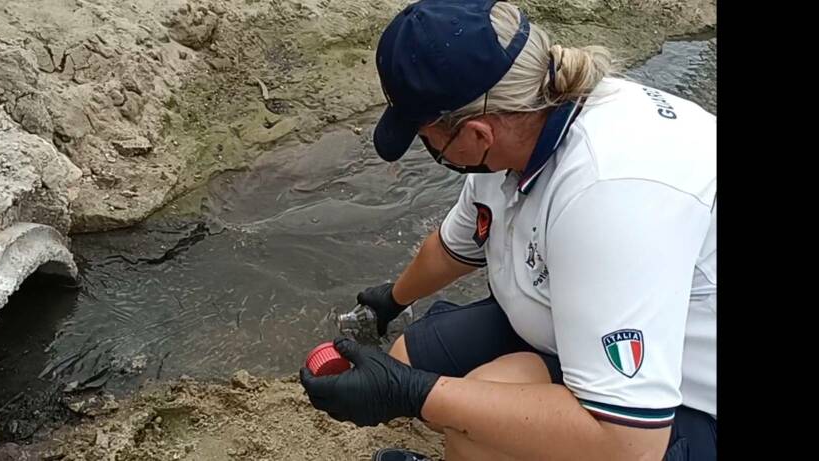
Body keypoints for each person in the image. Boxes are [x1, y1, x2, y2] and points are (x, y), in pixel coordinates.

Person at [298, 1, 716, 460]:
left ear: (477, 133)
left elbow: (628, 443)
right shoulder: (521, 119)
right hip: (572, 318)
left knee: (476, 433)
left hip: (687, 402)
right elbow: (455, 247)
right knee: (405, 357)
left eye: (425, 137)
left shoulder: (612, 192)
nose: (427, 148)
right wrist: (391, 300)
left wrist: (411, 394)